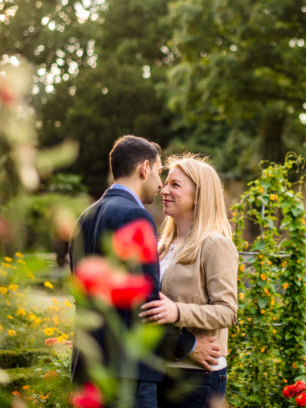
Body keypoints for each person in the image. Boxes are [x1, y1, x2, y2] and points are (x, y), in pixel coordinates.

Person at [69, 136, 221, 408]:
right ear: (144, 168)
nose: (161, 184)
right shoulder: (135, 217)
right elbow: (145, 304)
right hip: (128, 375)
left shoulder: (85, 217)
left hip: (87, 371)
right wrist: (189, 345)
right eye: (161, 172)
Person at [139, 154, 239, 408]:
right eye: (166, 182)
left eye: (176, 185)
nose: (164, 189)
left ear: (199, 195)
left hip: (198, 376)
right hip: (161, 368)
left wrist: (178, 311)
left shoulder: (215, 244)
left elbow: (227, 311)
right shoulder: (162, 247)